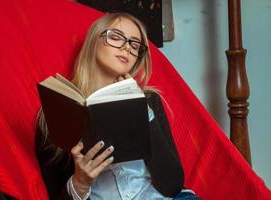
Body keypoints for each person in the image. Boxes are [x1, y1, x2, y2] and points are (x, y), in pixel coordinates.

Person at [35, 12, 200, 200]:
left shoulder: (149, 100)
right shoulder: (56, 109)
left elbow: (173, 184)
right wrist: (79, 183)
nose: (126, 48)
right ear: (93, 42)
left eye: (134, 44)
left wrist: (142, 111)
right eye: (115, 37)